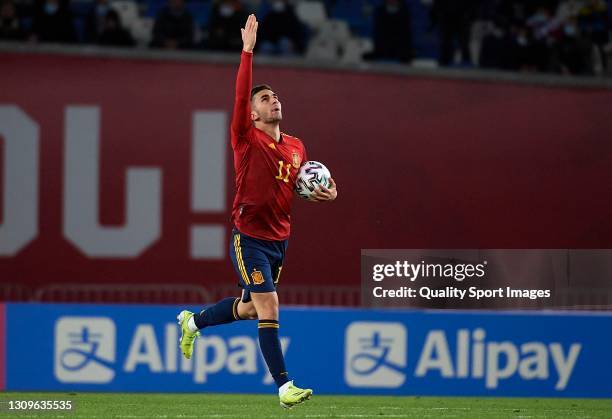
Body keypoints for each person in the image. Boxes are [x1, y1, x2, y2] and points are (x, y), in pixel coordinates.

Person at [177, 14, 337, 409]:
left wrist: (328, 193)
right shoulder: (245, 138)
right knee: (270, 307)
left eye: (275, 96)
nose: (273, 101)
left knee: (250, 309)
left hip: (280, 239)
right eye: (264, 99)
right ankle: (284, 386)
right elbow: (238, 96)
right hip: (248, 237)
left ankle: (192, 322)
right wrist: (247, 53)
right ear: (252, 114)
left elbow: (305, 184)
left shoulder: (298, 147)